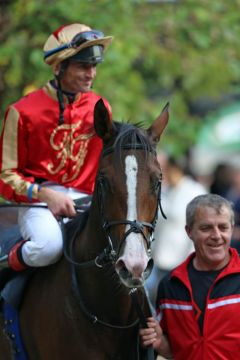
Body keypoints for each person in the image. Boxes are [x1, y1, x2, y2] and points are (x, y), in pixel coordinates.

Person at [0, 23, 113, 271]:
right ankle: (6, 265)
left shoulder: (101, 108)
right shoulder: (21, 112)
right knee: (48, 248)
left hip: (89, 201)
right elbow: (5, 177)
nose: (91, 74)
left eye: (94, 66)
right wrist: (45, 195)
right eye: (83, 66)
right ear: (59, 67)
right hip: (38, 203)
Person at [140, 194, 240, 360]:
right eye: (206, 228)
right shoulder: (170, 285)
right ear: (189, 231)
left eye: (223, 227)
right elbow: (177, 351)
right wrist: (159, 342)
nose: (216, 236)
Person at [145, 154, 207, 306]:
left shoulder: (195, 191)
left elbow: (200, 229)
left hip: (181, 262)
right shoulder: (164, 191)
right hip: (158, 259)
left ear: (175, 169)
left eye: (165, 170)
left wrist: (193, 263)